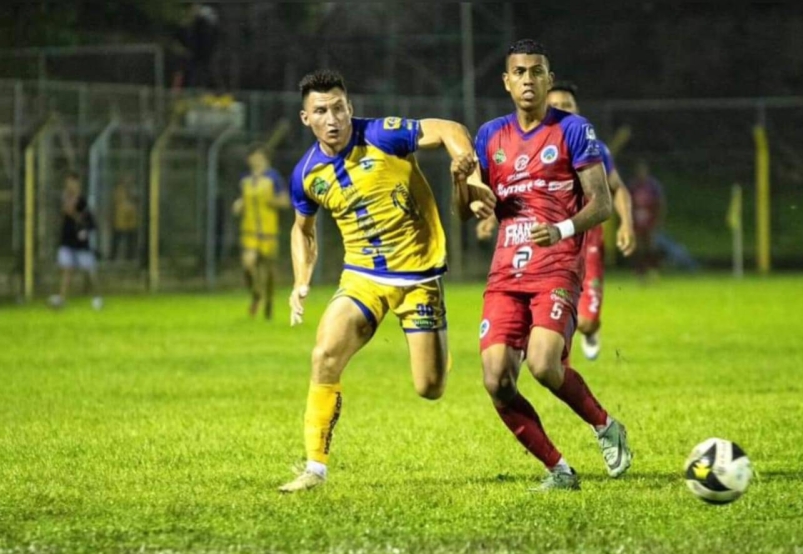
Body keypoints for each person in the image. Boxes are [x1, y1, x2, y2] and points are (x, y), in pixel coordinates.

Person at [278, 70, 495, 493]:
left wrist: (470, 176)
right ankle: (314, 469)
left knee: (429, 387)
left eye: (338, 107)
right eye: (321, 111)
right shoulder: (307, 174)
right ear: (307, 119)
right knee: (324, 355)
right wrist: (300, 281)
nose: (332, 118)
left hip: (420, 277)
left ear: (350, 108)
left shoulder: (382, 134)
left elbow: (450, 129)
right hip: (363, 278)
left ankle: (437, 346)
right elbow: (302, 229)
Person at [464, 39, 632, 491]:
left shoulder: (574, 130)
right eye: (518, 72)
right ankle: (558, 469)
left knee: (542, 365)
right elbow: (470, 208)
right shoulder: (489, 136)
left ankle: (605, 426)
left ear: (548, 79)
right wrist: (467, 188)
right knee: (496, 379)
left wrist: (559, 230)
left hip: (556, 266)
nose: (527, 80)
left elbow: (601, 204)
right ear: (506, 81)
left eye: (536, 72)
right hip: (505, 274)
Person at [476, 81, 636, 361]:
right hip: (543, 240)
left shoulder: (592, 146)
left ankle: (586, 331)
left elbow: (616, 188)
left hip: (586, 238)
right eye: (556, 105)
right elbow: (514, 189)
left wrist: (627, 224)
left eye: (568, 105)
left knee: (587, 322)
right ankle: (540, 347)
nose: (561, 109)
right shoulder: (527, 145)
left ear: (577, 110)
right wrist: (490, 215)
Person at [232, 145, 289, 320]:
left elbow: (285, 201)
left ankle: (269, 301)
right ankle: (256, 293)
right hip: (249, 230)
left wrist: (273, 201)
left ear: (265, 158)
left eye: (258, 156)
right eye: (252, 157)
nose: (254, 160)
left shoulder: (273, 178)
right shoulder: (245, 180)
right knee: (248, 264)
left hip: (268, 230)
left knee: (269, 270)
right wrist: (239, 204)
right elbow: (243, 198)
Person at [49, 171, 102, 310]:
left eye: (72, 182)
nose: (69, 185)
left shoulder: (82, 201)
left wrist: (84, 229)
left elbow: (85, 219)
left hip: (81, 242)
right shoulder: (65, 197)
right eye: (67, 182)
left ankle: (97, 297)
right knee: (67, 269)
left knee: (89, 270)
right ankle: (61, 298)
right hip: (67, 240)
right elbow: (64, 213)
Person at [110, 176, 139, 262]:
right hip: (120, 219)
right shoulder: (120, 190)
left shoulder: (133, 190)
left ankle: (130, 256)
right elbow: (117, 203)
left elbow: (135, 201)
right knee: (117, 238)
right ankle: (113, 257)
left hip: (130, 220)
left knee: (131, 239)